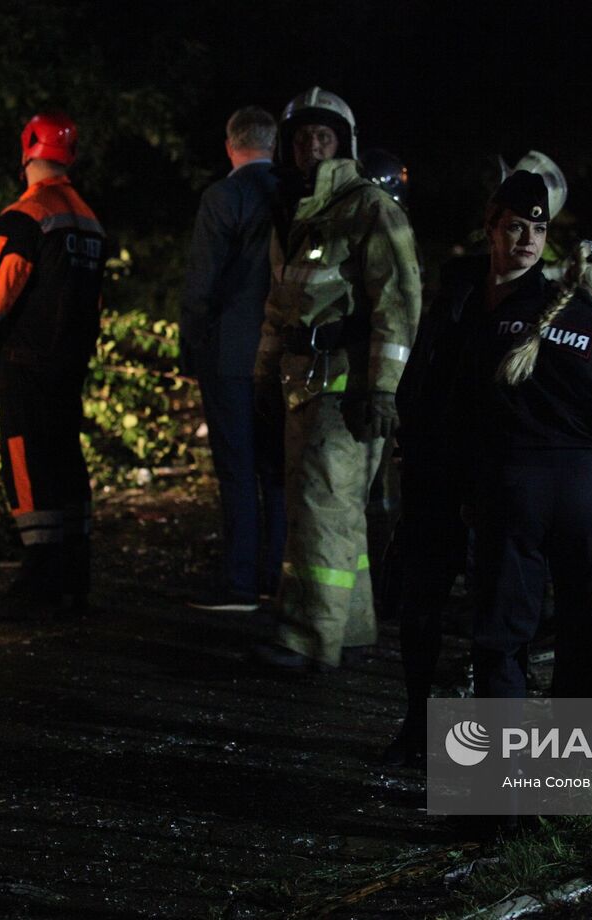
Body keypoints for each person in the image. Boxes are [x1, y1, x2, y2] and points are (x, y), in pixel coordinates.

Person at [383, 170, 557, 764]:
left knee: (494, 614)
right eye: (516, 227)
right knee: (421, 599)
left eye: (538, 229)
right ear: (492, 228)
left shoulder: (548, 303)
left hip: (497, 477)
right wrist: (410, 430)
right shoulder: (458, 284)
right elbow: (428, 362)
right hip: (438, 466)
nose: (528, 241)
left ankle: (487, 748)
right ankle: (416, 722)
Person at [251, 87, 422, 672]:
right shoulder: (296, 213)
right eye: (301, 138)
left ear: (343, 143)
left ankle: (307, 640)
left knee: (324, 506)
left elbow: (398, 303)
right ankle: (347, 630)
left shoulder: (368, 207)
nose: (310, 147)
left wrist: (382, 389)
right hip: (304, 382)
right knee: (326, 509)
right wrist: (263, 376)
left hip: (346, 386)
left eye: (322, 136)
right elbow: (280, 307)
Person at [465, 239, 592, 700]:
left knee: (503, 628)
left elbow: (473, 407)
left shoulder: (509, 320)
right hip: (584, 495)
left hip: (513, 486)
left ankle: (501, 754)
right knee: (582, 629)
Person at [0, 112, 106, 611]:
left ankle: (40, 576)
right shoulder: (88, 219)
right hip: (71, 361)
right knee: (65, 455)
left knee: (26, 457)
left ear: (27, 152)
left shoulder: (27, 213)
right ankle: (74, 571)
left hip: (27, 357)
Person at [179, 106, 286, 611]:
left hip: (230, 352)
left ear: (230, 145)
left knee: (238, 468)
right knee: (277, 470)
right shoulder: (294, 195)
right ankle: (279, 575)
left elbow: (202, 284)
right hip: (283, 353)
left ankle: (239, 581)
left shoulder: (224, 197)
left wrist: (192, 342)